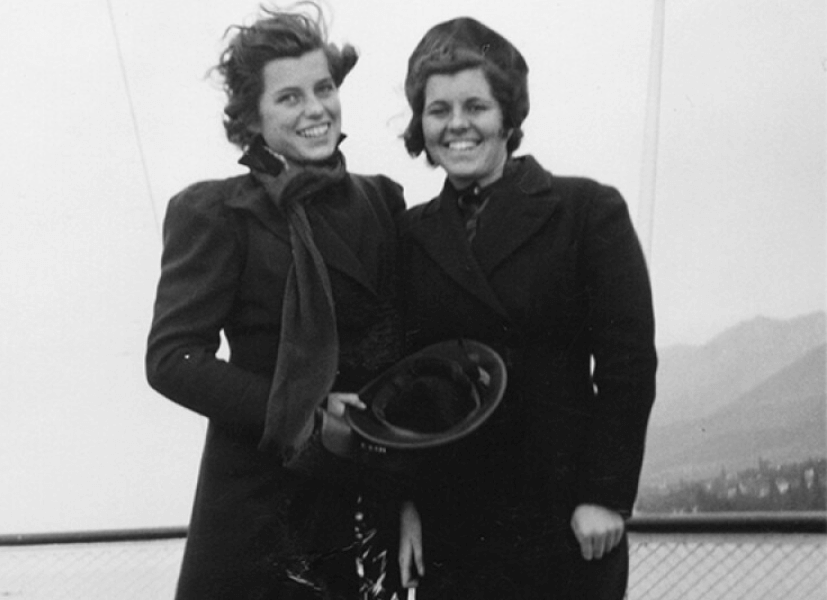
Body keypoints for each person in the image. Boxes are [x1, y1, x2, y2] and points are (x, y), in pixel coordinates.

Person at [145, 4, 408, 598]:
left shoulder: (381, 203)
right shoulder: (216, 212)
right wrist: (305, 416)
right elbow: (170, 359)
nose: (316, 109)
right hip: (261, 509)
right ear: (251, 118)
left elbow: (407, 350)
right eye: (289, 98)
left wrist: (410, 493)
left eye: (323, 89)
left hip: (363, 497)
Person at [397, 17, 658, 599]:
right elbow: (402, 390)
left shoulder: (586, 211)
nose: (457, 125)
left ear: (509, 116)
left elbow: (627, 365)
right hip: (454, 528)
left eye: (476, 106)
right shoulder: (409, 236)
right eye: (438, 110)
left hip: (566, 522)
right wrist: (405, 503)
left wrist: (606, 495)